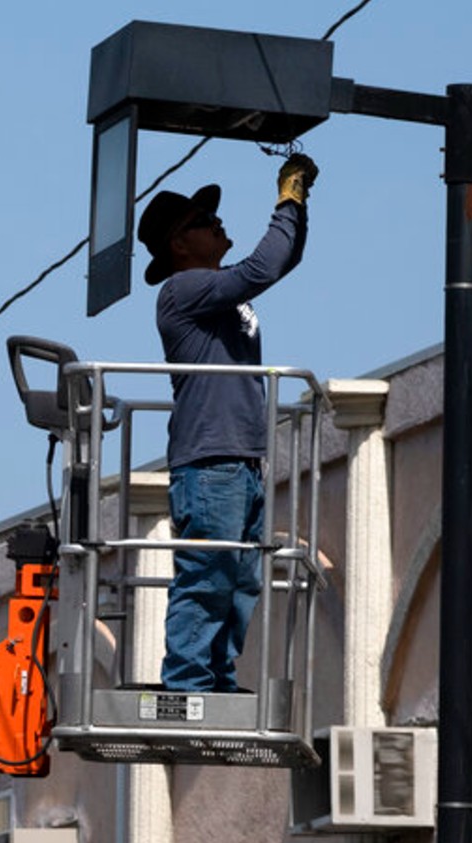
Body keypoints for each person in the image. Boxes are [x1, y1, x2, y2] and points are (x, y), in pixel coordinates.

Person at [136, 153, 317, 692]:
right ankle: (189, 682)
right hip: (210, 460)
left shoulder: (215, 290)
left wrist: (297, 208)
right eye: (201, 221)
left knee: (240, 579)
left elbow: (279, 262)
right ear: (179, 245)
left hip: (239, 460)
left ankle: (213, 678)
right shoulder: (183, 289)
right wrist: (286, 200)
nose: (217, 223)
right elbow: (263, 267)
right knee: (209, 575)